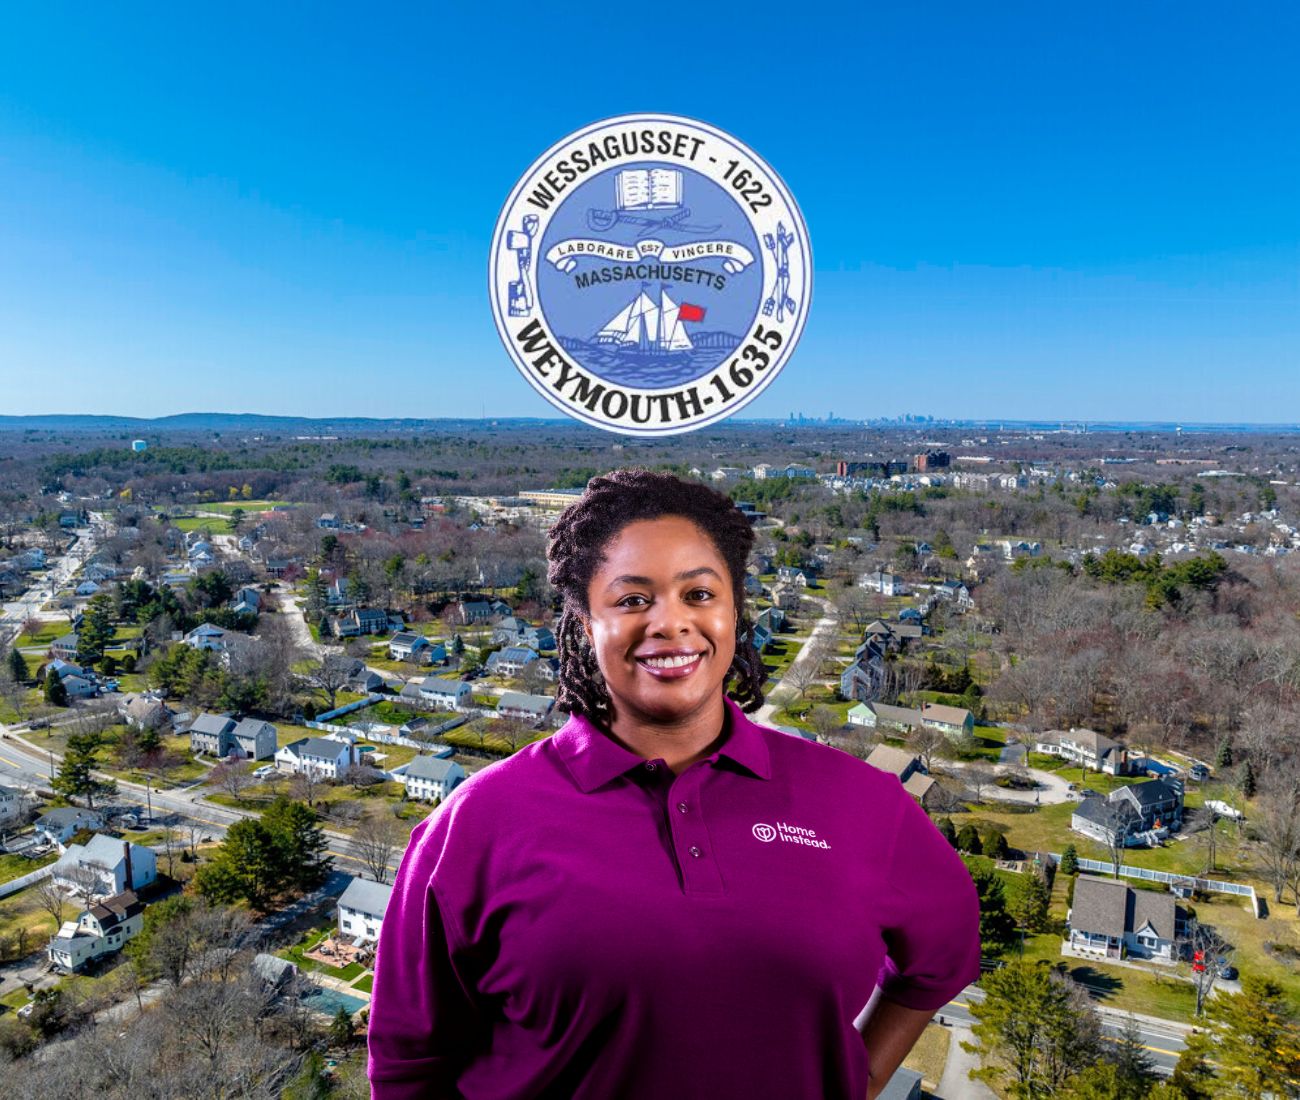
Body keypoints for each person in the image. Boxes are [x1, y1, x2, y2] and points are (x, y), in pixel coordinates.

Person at [369, 469, 980, 1100]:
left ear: (734, 608)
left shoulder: (857, 802)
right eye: (632, 600)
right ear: (584, 622)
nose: (670, 623)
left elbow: (943, 952)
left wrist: (858, 1076)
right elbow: (410, 1062)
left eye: (699, 594)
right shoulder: (475, 825)